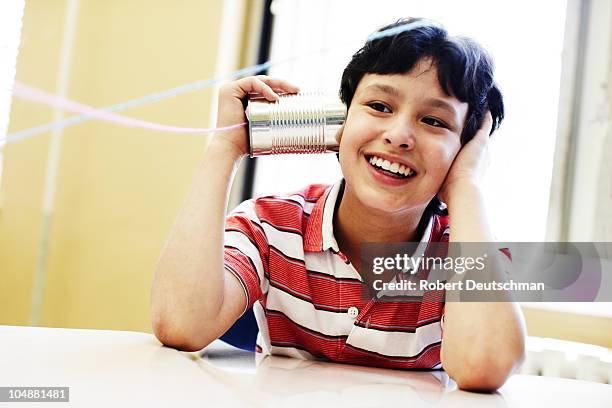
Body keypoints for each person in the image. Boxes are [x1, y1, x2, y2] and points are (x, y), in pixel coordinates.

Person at [151, 17, 526, 392]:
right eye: (379, 106)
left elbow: (485, 365)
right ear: (342, 122)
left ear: (464, 151)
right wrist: (225, 147)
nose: (398, 136)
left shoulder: (469, 254)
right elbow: (181, 324)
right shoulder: (268, 225)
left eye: (433, 120)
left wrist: (465, 186)